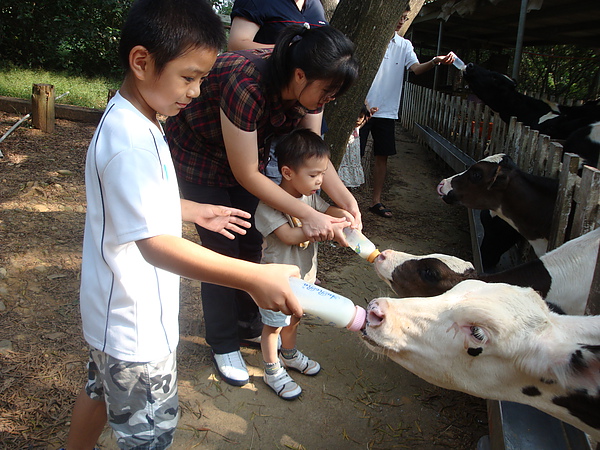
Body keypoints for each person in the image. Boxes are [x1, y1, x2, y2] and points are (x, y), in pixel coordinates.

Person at [65, 1, 303, 448]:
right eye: (188, 77)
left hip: (110, 314)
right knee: (149, 435)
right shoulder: (133, 141)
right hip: (136, 326)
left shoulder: (133, 118)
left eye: (201, 79)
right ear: (142, 62)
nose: (195, 92)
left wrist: (191, 210)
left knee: (99, 388)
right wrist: (252, 276)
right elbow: (154, 245)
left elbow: (128, 201)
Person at [166, 23, 361, 388]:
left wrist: (346, 200)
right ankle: (223, 342)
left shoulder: (306, 89)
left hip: (245, 158)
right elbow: (245, 174)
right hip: (199, 156)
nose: (328, 100)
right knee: (223, 251)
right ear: (301, 75)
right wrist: (310, 213)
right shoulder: (247, 83)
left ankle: (246, 325)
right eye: (327, 91)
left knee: (252, 243)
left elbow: (312, 150)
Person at [255, 129, 353, 400]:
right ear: (287, 173)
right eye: (313, 175)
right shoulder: (268, 205)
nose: (320, 181)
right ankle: (271, 368)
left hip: (303, 279)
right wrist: (321, 229)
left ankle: (288, 355)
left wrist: (343, 216)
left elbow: (325, 211)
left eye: (322, 174)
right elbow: (287, 235)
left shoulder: (308, 197)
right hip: (278, 283)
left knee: (296, 317)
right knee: (273, 326)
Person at [360, 7, 455, 218]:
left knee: (381, 156)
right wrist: (362, 102)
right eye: (399, 16)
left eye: (404, 18)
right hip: (363, 108)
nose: (401, 21)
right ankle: (345, 200)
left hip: (387, 111)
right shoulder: (372, 38)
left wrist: (435, 62)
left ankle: (376, 201)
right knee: (353, 154)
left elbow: (416, 69)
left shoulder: (404, 45)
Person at [228, 0, 330, 184]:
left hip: (304, 112)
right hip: (266, 117)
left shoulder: (315, 6)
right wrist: (292, 52)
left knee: (310, 182)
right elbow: (236, 44)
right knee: (274, 189)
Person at [338, 104, 376, 188]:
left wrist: (370, 114)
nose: (357, 119)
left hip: (353, 160)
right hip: (345, 161)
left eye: (361, 117)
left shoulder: (357, 129)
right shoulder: (346, 129)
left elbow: (364, 122)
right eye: (356, 116)